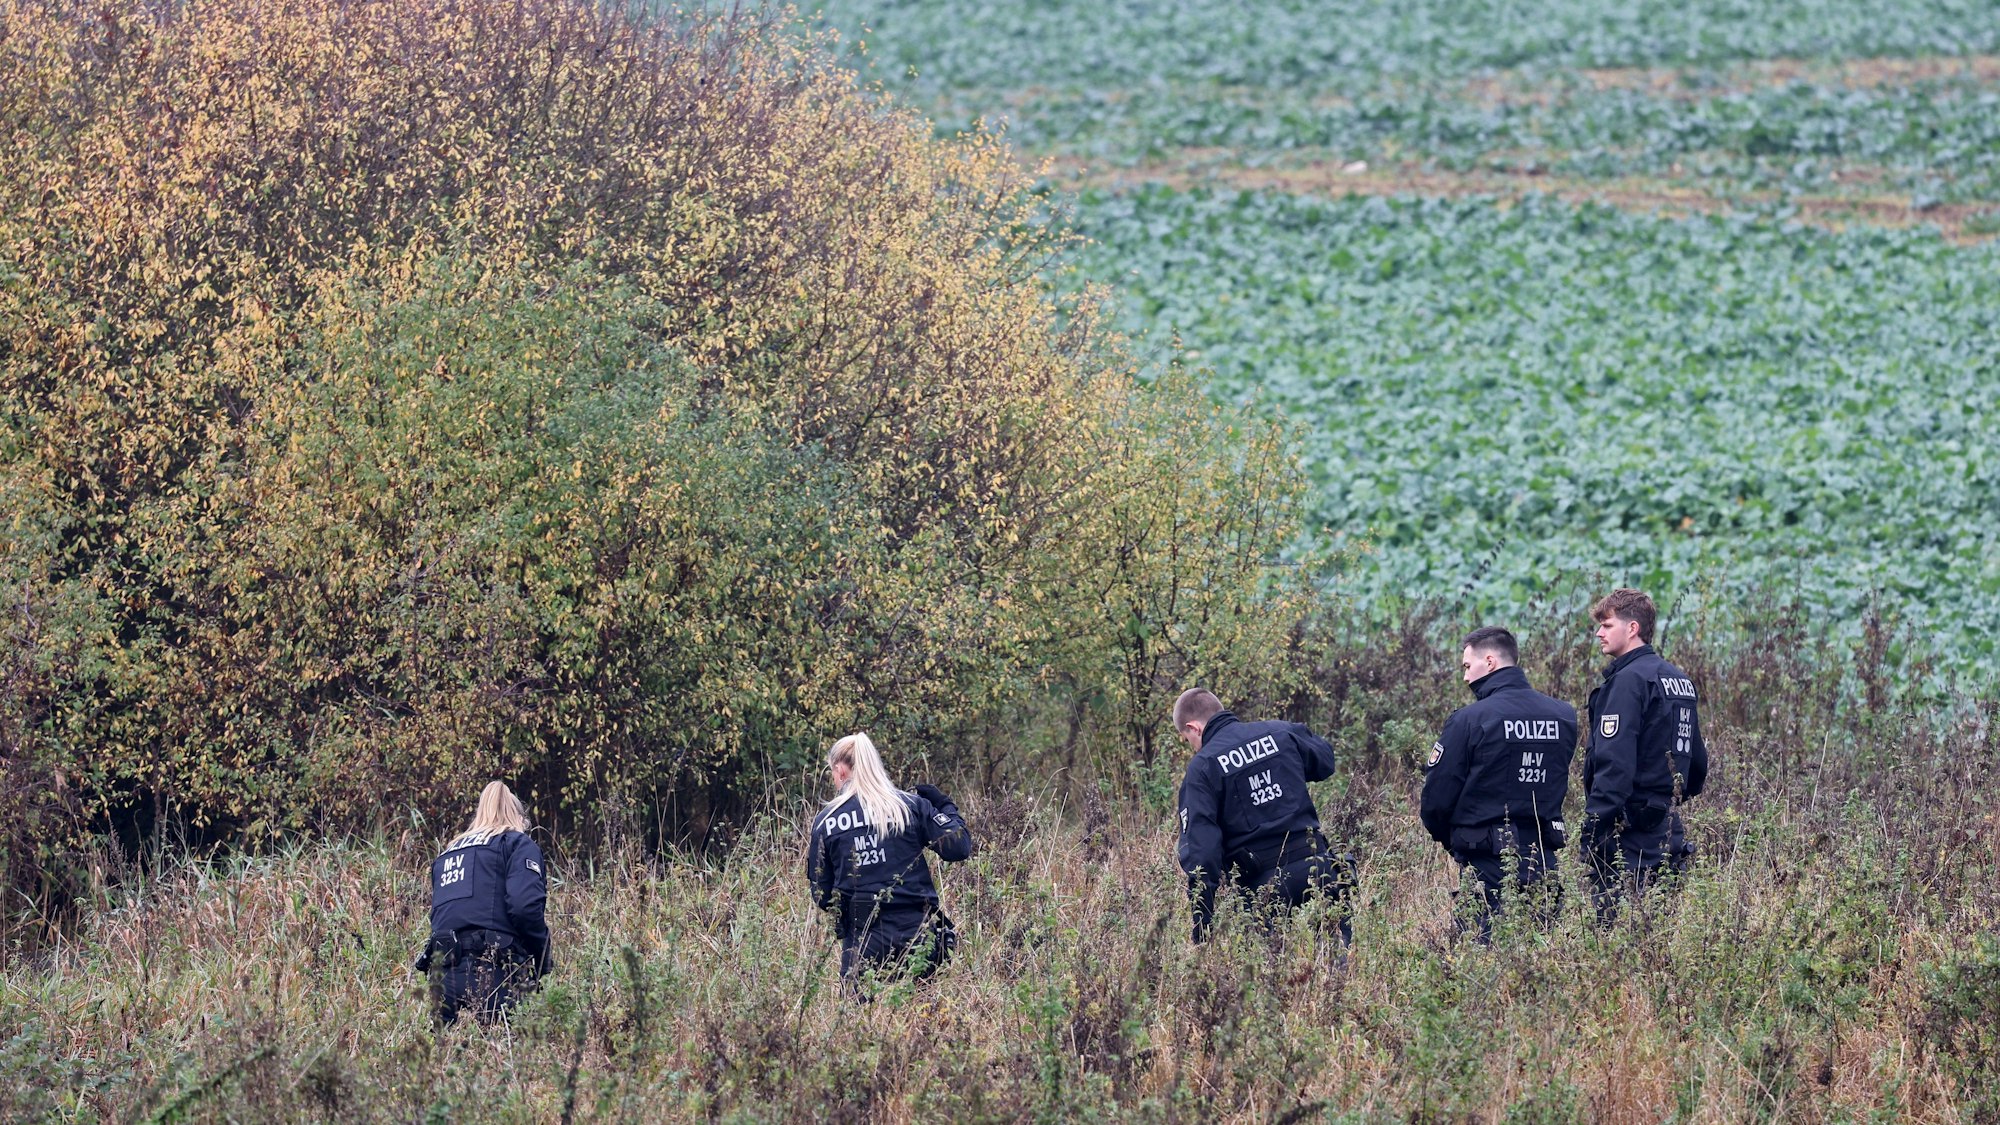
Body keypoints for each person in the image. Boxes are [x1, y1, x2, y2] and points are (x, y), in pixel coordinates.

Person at [1419, 626, 1576, 940]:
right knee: (1538, 962)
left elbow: (1435, 801)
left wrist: (1455, 841)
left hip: (1486, 861)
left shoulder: (1469, 719)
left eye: (1467, 666)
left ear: (1489, 662)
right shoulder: (1563, 716)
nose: (1465, 677)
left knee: (1481, 961)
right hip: (1542, 859)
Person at [1172, 688, 1351, 944]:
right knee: (1338, 965)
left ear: (1194, 727)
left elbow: (1202, 850)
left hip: (1264, 887)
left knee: (1270, 975)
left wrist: (1203, 921)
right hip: (1319, 868)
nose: (1193, 747)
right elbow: (1324, 760)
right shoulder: (1280, 732)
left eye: (1187, 738)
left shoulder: (1203, 768)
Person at [1579, 589, 1710, 919]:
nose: (1599, 633)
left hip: (1629, 831)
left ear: (1632, 628)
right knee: (1658, 937)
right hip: (1667, 827)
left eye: (1607, 625)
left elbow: (1614, 763)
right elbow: (1696, 765)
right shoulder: (1679, 680)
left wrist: (1595, 826)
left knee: (1615, 936)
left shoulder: (1628, 682)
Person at [808, 733, 972, 988]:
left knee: (859, 1023)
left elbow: (822, 895)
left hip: (864, 940)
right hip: (920, 935)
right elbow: (959, 847)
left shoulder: (827, 820)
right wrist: (944, 806)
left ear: (840, 770)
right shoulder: (911, 805)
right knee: (923, 1021)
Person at [415, 780, 551, 1025]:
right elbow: (525, 907)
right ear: (518, 818)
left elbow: (441, 915)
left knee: (443, 1060)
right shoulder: (518, 844)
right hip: (495, 971)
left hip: (443, 976)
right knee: (509, 1057)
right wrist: (542, 960)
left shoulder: (447, 855)